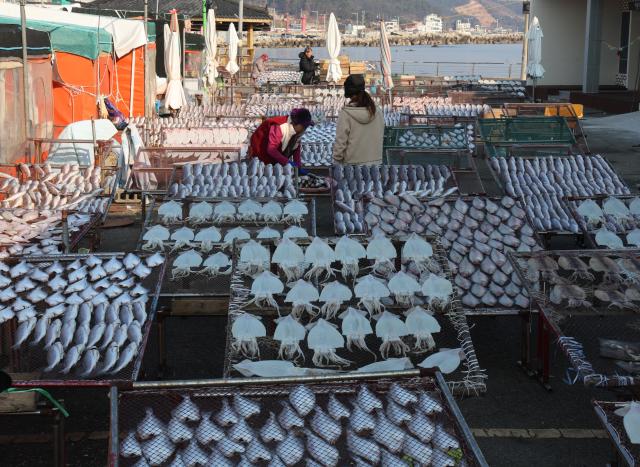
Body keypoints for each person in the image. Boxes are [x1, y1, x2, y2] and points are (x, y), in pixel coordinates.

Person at [333, 74, 385, 165]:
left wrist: (337, 159)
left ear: (349, 94)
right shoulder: (377, 111)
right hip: (376, 163)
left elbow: (341, 141)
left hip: (353, 165)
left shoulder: (346, 113)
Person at [248, 108, 314, 173]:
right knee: (263, 171)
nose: (305, 129)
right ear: (298, 124)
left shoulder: (298, 131)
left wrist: (298, 167)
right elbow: (271, 150)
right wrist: (286, 162)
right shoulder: (280, 127)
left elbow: (296, 147)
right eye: (304, 126)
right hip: (261, 149)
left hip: (274, 152)